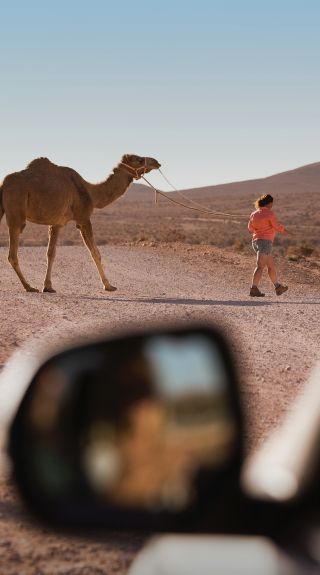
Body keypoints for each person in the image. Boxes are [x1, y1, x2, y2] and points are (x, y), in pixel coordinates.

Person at [248, 194, 292, 297]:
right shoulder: (269, 213)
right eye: (272, 203)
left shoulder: (254, 213)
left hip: (256, 242)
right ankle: (254, 288)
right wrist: (288, 232)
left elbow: (250, 228)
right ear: (269, 203)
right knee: (260, 266)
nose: (272, 205)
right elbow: (277, 226)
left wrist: (259, 228)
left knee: (271, 266)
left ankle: (278, 287)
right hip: (265, 243)